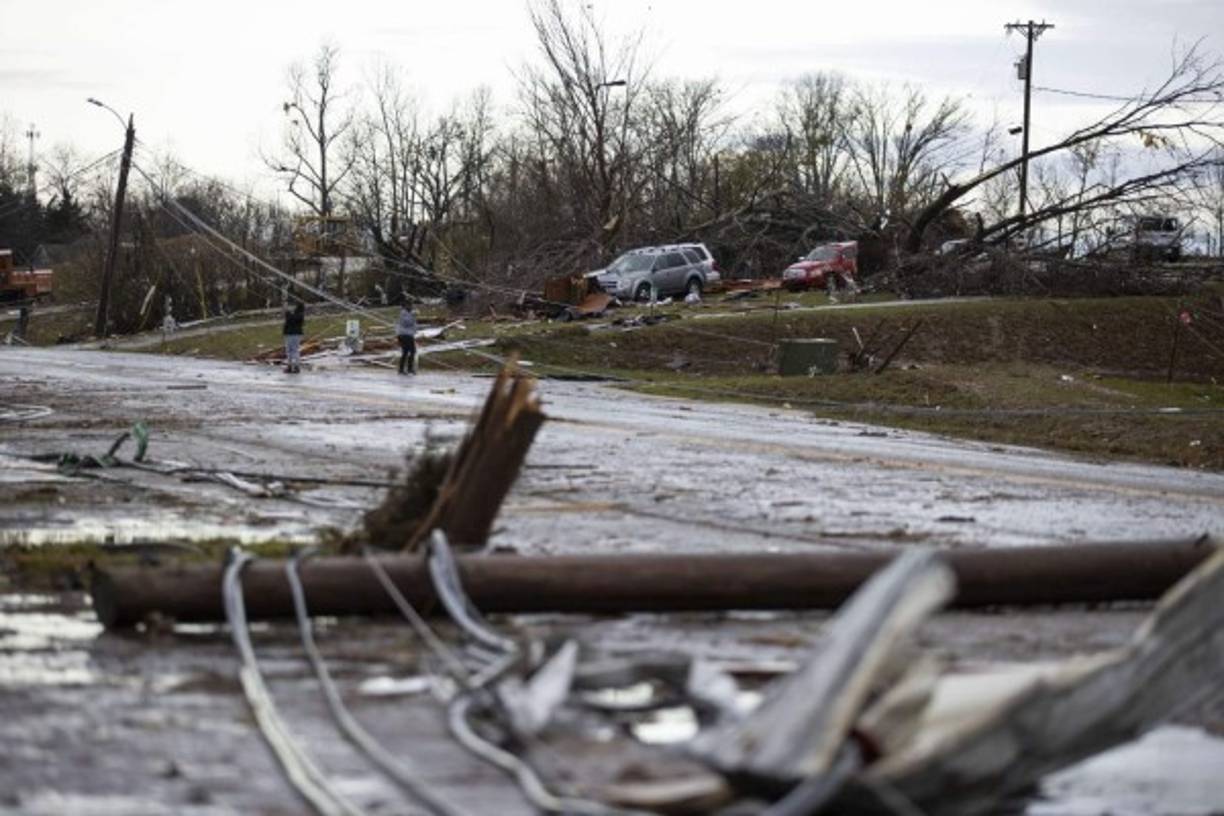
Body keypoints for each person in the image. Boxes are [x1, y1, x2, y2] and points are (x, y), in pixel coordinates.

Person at [395, 300, 417, 375]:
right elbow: (407, 323)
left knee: (406, 352)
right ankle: (409, 369)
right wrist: (413, 316)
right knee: (412, 351)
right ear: (406, 306)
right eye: (410, 305)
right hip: (405, 335)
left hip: (407, 334)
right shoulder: (404, 313)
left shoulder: (407, 313)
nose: (412, 307)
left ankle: (402, 369)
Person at [283, 301, 305, 374]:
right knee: (289, 351)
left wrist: (287, 311)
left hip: (293, 334)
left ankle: (296, 366)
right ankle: (290, 366)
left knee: (294, 350)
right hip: (291, 334)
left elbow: (290, 319)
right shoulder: (298, 314)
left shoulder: (299, 315)